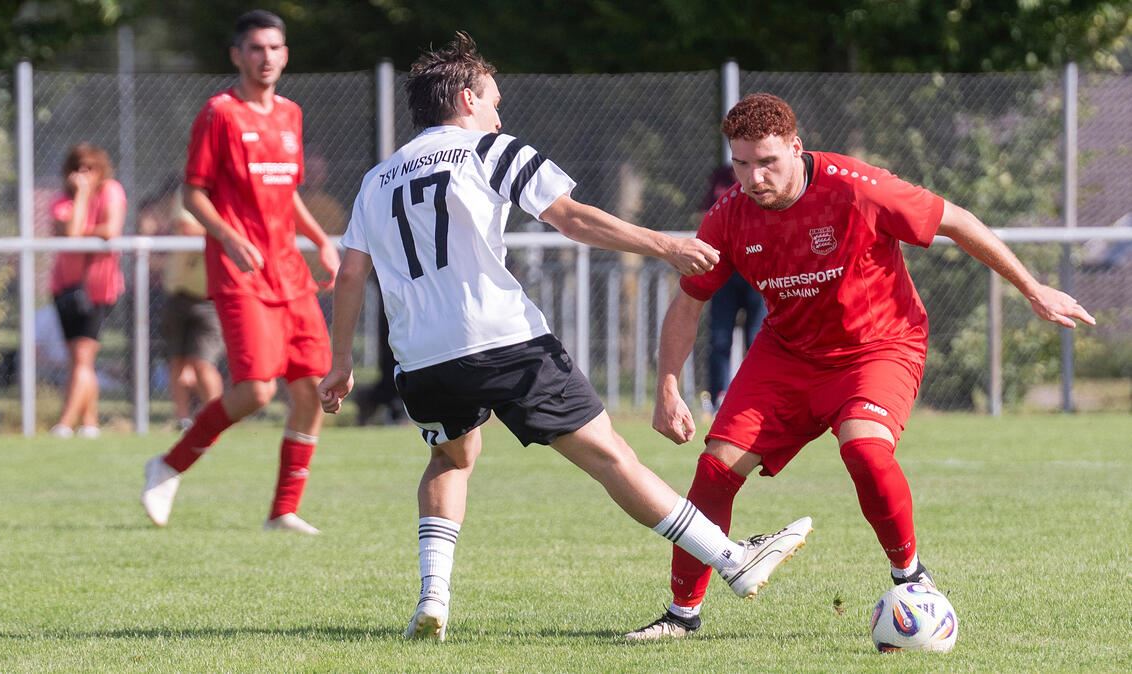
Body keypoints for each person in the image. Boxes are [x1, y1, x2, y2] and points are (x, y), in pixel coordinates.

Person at [317, 33, 812, 643]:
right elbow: (571, 217)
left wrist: (341, 362)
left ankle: (433, 597)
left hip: (420, 356)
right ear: (468, 99)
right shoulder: (487, 150)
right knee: (611, 458)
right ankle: (733, 560)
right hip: (502, 339)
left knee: (450, 457)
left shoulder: (377, 178)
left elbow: (350, 275)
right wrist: (666, 244)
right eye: (494, 100)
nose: (501, 113)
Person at [624, 93, 1096, 640]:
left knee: (864, 447)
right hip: (788, 356)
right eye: (742, 163)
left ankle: (911, 577)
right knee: (715, 468)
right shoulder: (729, 216)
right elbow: (688, 303)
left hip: (880, 346)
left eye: (767, 161)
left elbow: (957, 221)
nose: (754, 177)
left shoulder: (855, 187)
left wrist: (1034, 290)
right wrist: (667, 387)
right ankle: (681, 616)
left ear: (796, 149)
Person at [140, 9, 340, 534]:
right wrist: (228, 238)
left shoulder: (291, 115)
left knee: (313, 387)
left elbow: (287, 192)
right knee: (255, 390)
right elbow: (193, 192)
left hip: (290, 271)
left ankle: (284, 510)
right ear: (237, 55)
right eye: (255, 48)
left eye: (274, 48)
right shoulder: (219, 113)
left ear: (285, 54)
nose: (266, 57)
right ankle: (167, 466)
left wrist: (320, 239)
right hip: (240, 274)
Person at [48, 143, 126, 439]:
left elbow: (111, 229)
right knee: (79, 359)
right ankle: (90, 423)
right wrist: (80, 196)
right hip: (65, 289)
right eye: (77, 168)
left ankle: (65, 423)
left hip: (99, 290)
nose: (83, 174)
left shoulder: (112, 191)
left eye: (89, 168)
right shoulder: (61, 200)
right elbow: (70, 231)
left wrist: (83, 228)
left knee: (82, 356)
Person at [699, 165, 765, 415]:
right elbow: (704, 217)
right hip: (724, 273)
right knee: (719, 339)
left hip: (757, 273)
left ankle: (755, 399)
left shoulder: (764, 176)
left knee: (757, 339)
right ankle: (719, 397)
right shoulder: (720, 176)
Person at [159, 187, 225, 431]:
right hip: (179, 293)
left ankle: (216, 420)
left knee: (203, 364)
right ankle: (183, 419)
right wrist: (224, 232)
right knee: (176, 362)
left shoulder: (229, 192)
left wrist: (220, 233)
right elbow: (185, 227)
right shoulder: (189, 190)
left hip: (211, 299)